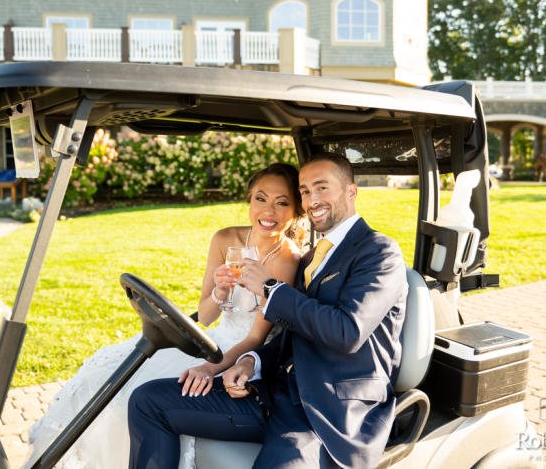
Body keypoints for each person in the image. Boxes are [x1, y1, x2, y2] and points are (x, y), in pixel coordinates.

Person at [127, 152, 408, 468]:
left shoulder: (379, 252)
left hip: (327, 412)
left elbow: (347, 332)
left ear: (351, 192)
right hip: (276, 393)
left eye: (322, 188)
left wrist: (271, 289)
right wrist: (250, 361)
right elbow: (292, 335)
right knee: (147, 401)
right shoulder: (314, 257)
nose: (312, 199)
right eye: (304, 191)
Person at [26, 163, 305, 468]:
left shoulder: (286, 259)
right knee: (106, 384)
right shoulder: (225, 240)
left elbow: (254, 337)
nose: (269, 211)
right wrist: (220, 293)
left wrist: (209, 369)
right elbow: (208, 316)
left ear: (296, 211)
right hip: (213, 338)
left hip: (241, 357)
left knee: (136, 402)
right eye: (261, 199)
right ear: (249, 201)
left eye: (282, 203)